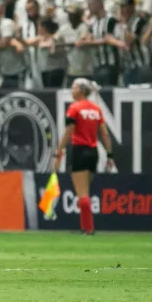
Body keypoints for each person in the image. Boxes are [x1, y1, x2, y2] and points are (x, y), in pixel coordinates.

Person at [52, 78, 115, 235]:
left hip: (79, 150)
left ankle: (89, 228)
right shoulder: (96, 109)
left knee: (82, 193)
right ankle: (84, 226)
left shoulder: (74, 108)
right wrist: (109, 155)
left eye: (74, 88)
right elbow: (105, 134)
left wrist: (59, 150)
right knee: (86, 190)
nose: (71, 90)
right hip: (93, 153)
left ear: (81, 90)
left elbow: (69, 131)